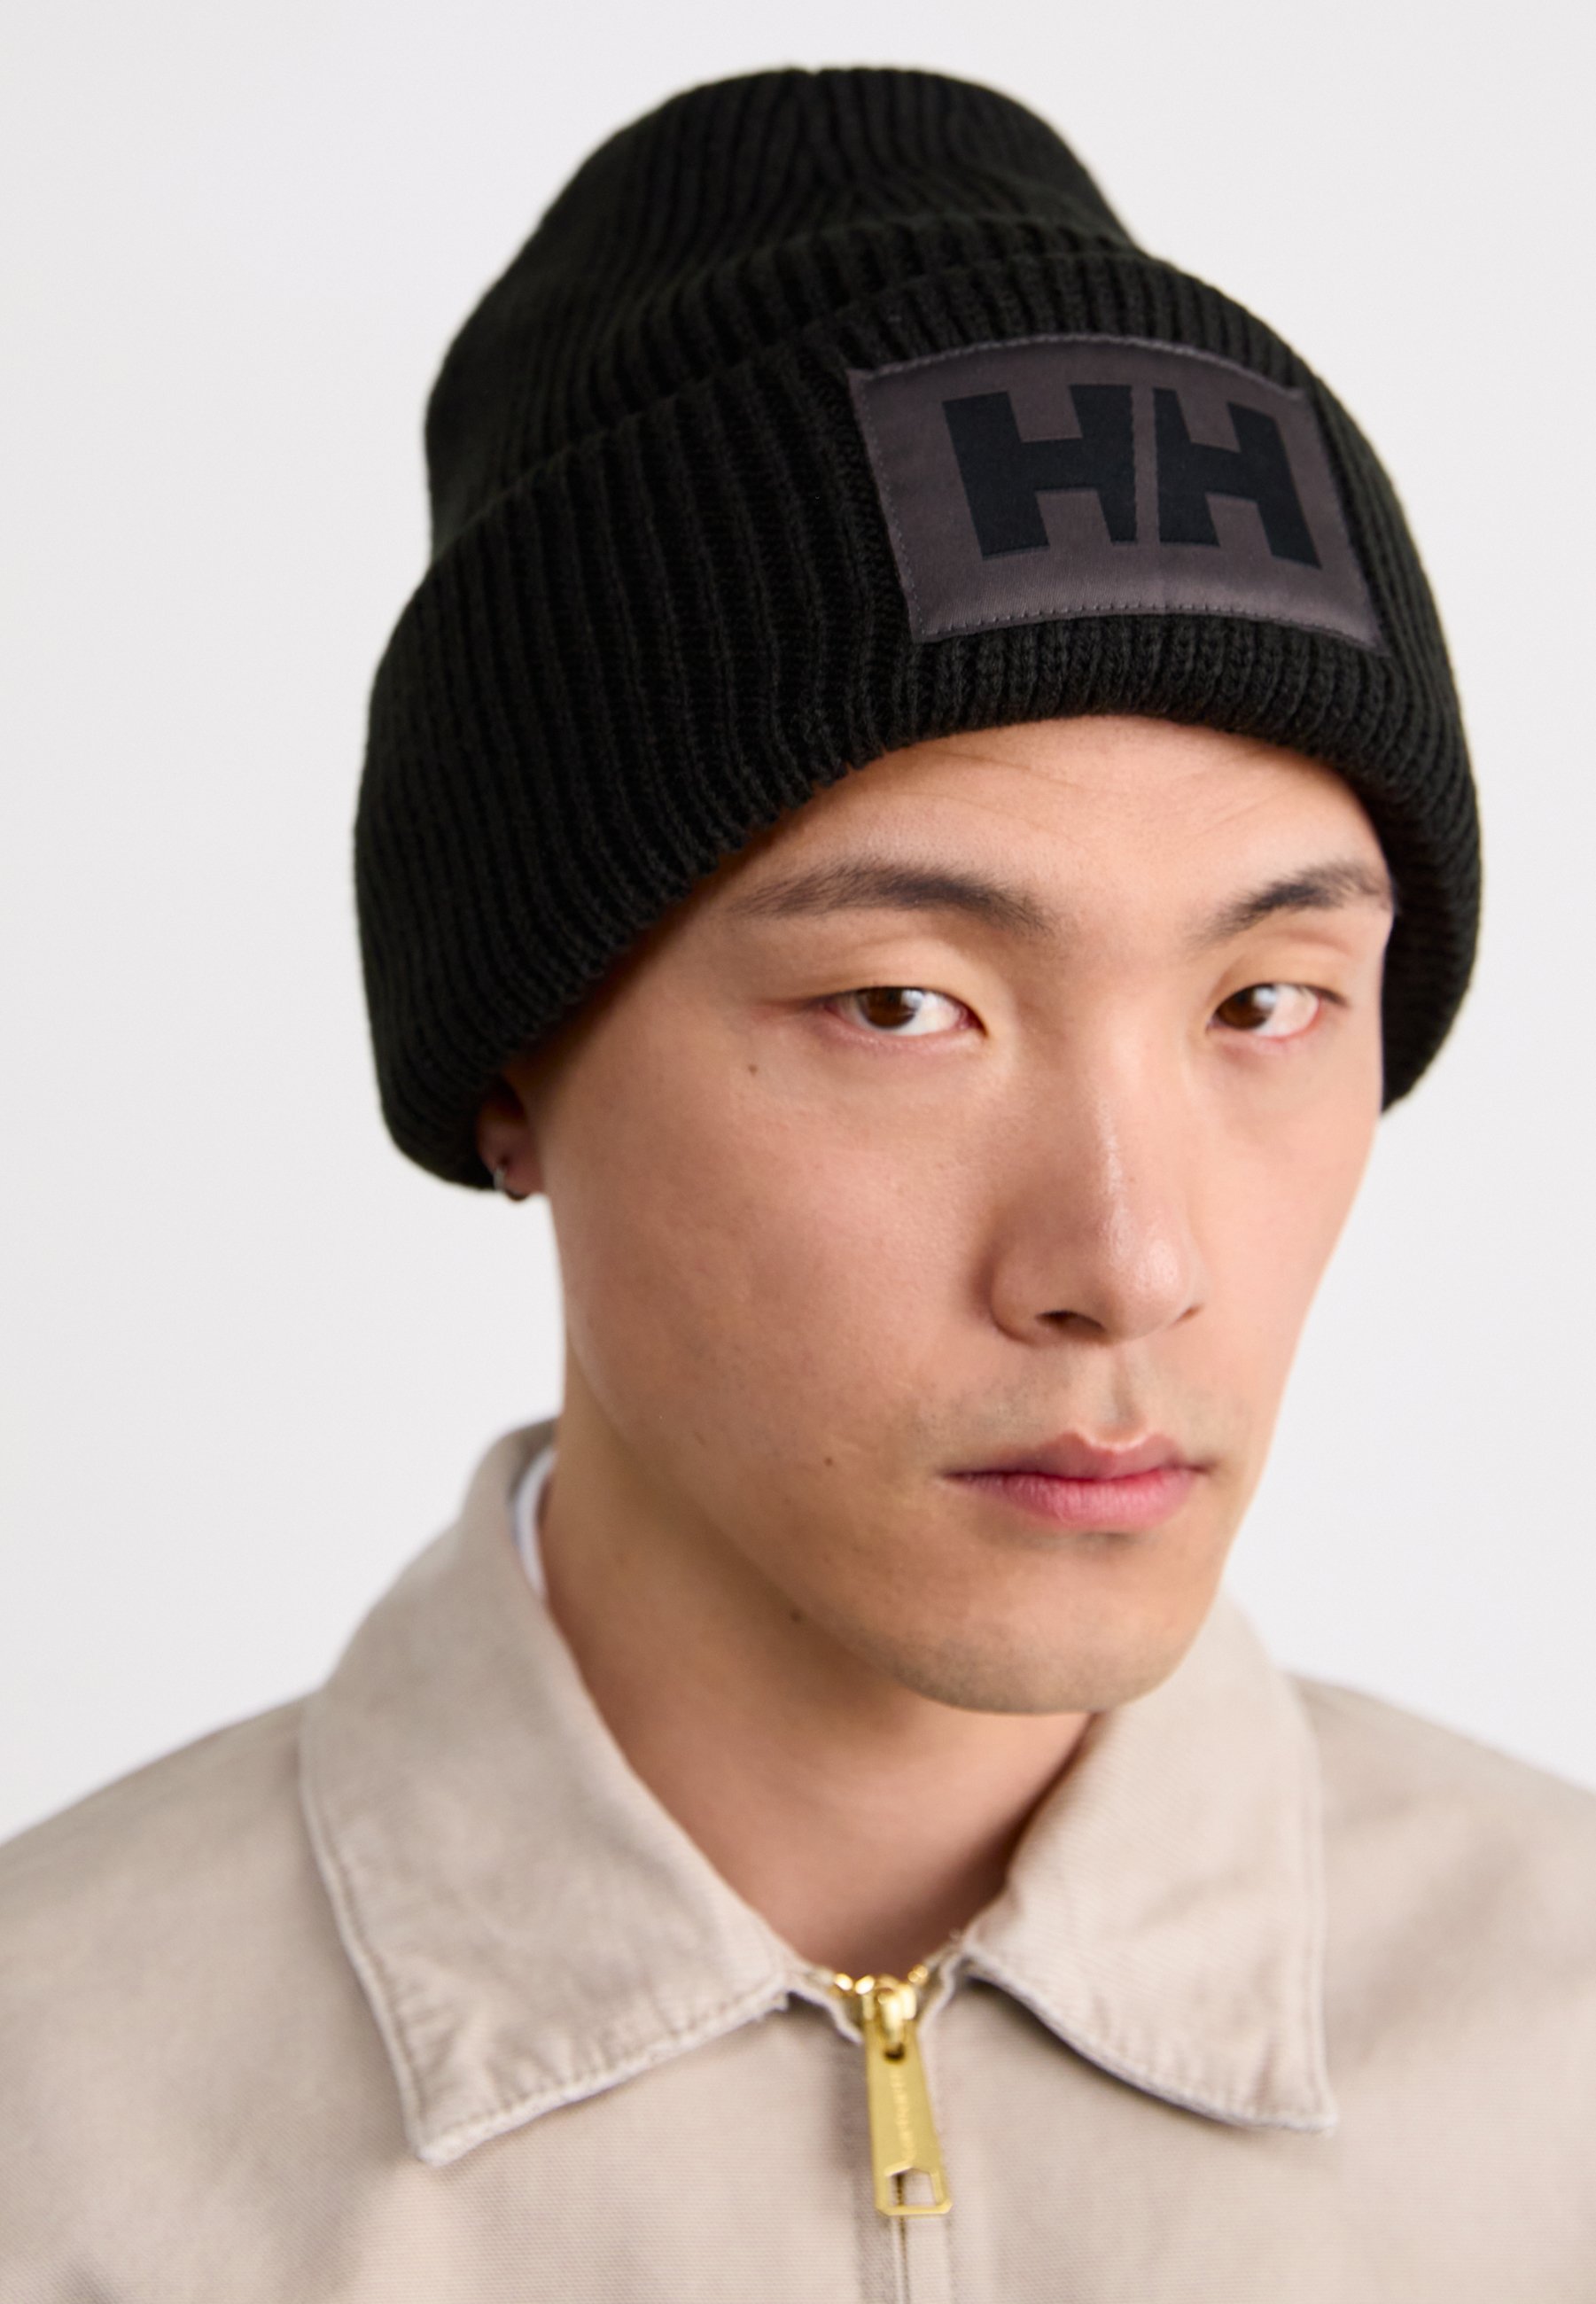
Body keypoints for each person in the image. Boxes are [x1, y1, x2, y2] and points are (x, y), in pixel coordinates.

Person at [3, 64, 1592, 2301]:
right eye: (900, 1005)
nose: (1129, 1259)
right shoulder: (52, 2133)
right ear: (510, 1066)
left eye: (1264, 1001)